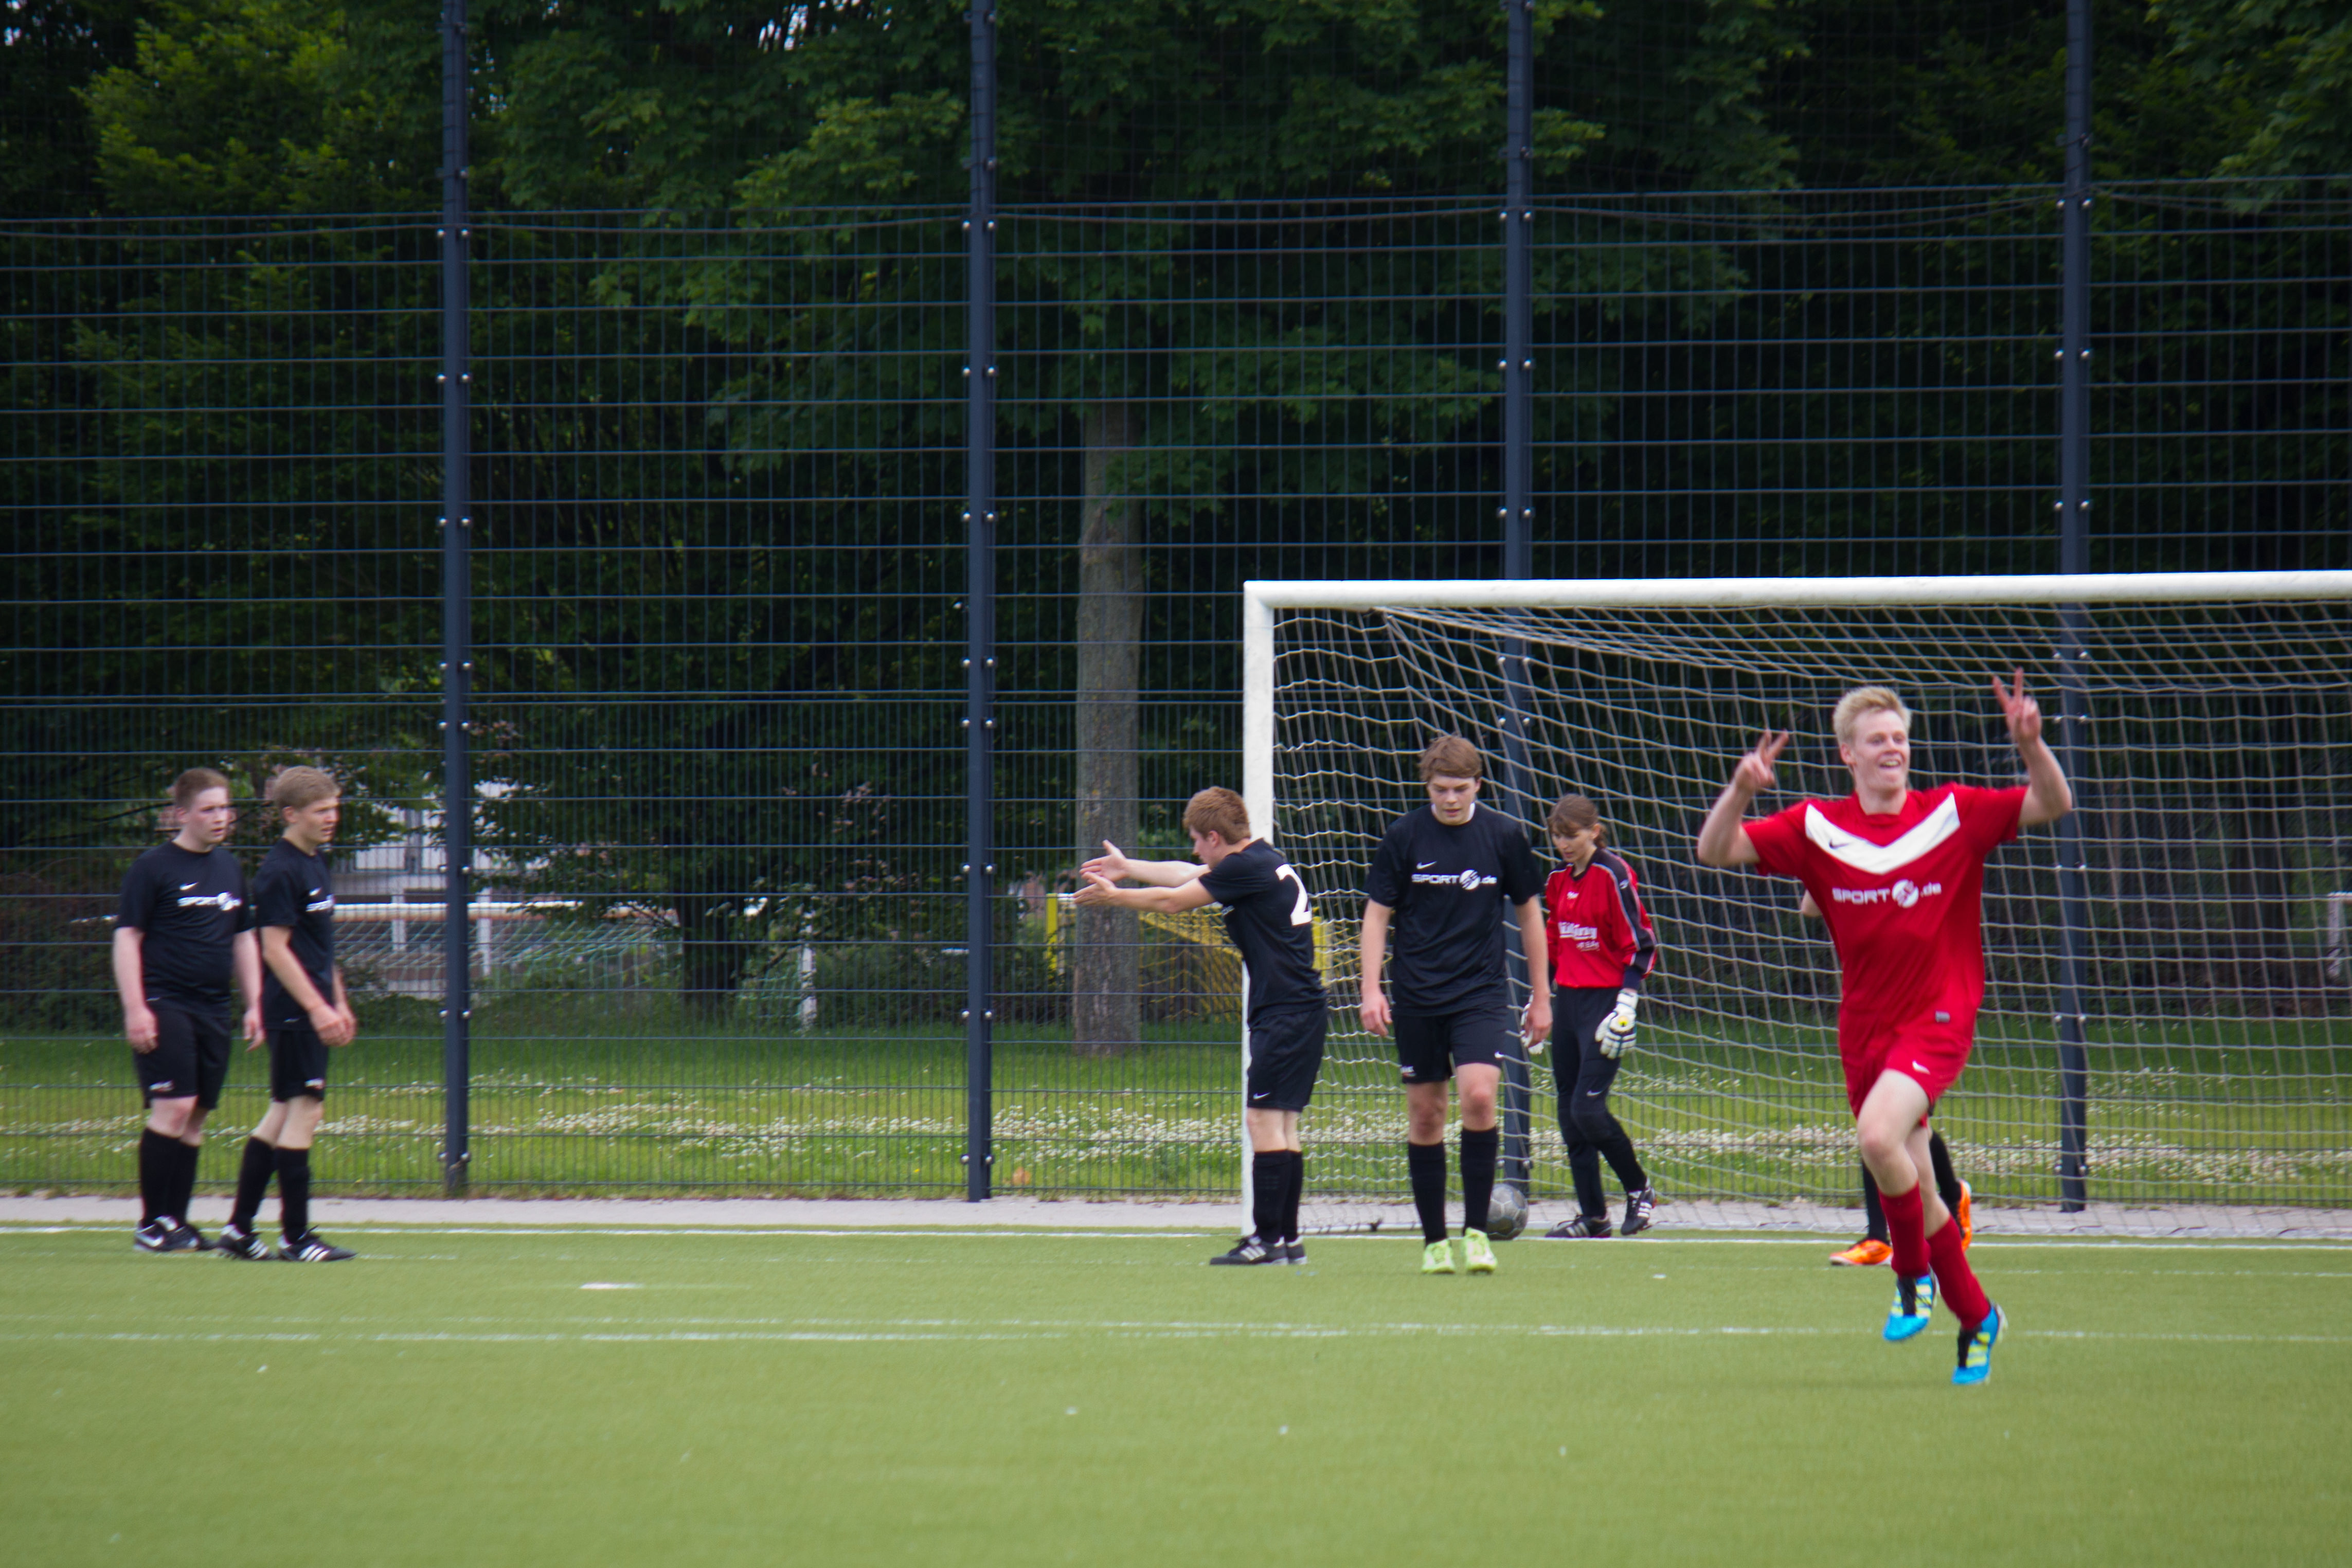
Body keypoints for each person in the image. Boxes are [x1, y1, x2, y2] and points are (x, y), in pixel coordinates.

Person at [1697, 676, 2071, 1385]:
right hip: (1866, 1028)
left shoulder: (1952, 813)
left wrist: (2031, 746)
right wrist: (1742, 788)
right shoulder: (1817, 827)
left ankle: (1910, 1276)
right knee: (1919, 1188)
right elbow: (1716, 849)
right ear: (1848, 754)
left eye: (1900, 737)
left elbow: (2052, 802)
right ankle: (1977, 1316)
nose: (1893, 748)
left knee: (1875, 1139)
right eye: (1877, 740)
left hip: (1938, 1015)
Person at [1078, 788, 1325, 1265]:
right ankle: (1287, 1240)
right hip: (1301, 1009)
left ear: (1214, 836)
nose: (1194, 848)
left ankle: (1265, 1240)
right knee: (1282, 1123)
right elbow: (1183, 874)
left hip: (1285, 1011)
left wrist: (1115, 896)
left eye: (1196, 839)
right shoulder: (1258, 859)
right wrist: (1128, 867)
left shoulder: (1244, 868)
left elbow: (1173, 901)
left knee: (1262, 1120)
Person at [1360, 735, 1552, 1275]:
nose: (1450, 799)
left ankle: (1476, 1234)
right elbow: (1376, 914)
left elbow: (1530, 914)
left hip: (1480, 993)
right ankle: (1434, 1242)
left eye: (1460, 789)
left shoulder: (1503, 835)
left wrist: (1541, 996)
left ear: (1478, 785)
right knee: (1426, 1114)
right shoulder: (1404, 836)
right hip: (1417, 995)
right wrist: (1370, 988)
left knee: (1479, 1097)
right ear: (1427, 787)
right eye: (1441, 789)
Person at [114, 768, 264, 1251]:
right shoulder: (152, 867)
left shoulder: (229, 868)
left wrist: (254, 1003)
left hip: (213, 1007)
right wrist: (136, 1008)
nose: (221, 817)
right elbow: (127, 938)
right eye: (209, 809)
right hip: (165, 1002)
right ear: (182, 814)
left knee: (196, 1114)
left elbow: (243, 938)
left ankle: (176, 1222)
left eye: (225, 808)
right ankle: (150, 1225)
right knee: (174, 1107)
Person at [217, 767, 357, 1263]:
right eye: (321, 811)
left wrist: (338, 1001)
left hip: (310, 1007)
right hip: (294, 1012)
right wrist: (317, 1008)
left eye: (335, 809)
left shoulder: (316, 861)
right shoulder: (279, 871)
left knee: (281, 1113)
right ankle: (297, 1238)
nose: (331, 818)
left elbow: (317, 946)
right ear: (291, 814)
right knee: (305, 1111)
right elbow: (275, 949)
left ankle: (238, 1229)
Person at [1802, 891, 1976, 1266]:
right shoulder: (1862, 867)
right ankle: (1935, 1205)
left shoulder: (1926, 868)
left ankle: (1899, 1234)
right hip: (1876, 1008)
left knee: (1887, 1126)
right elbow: (1811, 905)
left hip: (1926, 1012)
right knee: (1888, 1126)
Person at [1537, 795, 1660, 1240]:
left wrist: (1626, 1001)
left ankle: (1639, 1189)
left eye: (1571, 835)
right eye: (1557, 836)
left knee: (1587, 1110)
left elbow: (1640, 943)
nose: (1564, 844)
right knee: (1569, 1115)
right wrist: (1539, 1001)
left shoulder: (1613, 874)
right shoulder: (1556, 880)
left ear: (1594, 831)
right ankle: (1593, 1216)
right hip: (1568, 1002)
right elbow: (1554, 943)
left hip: (1605, 1002)